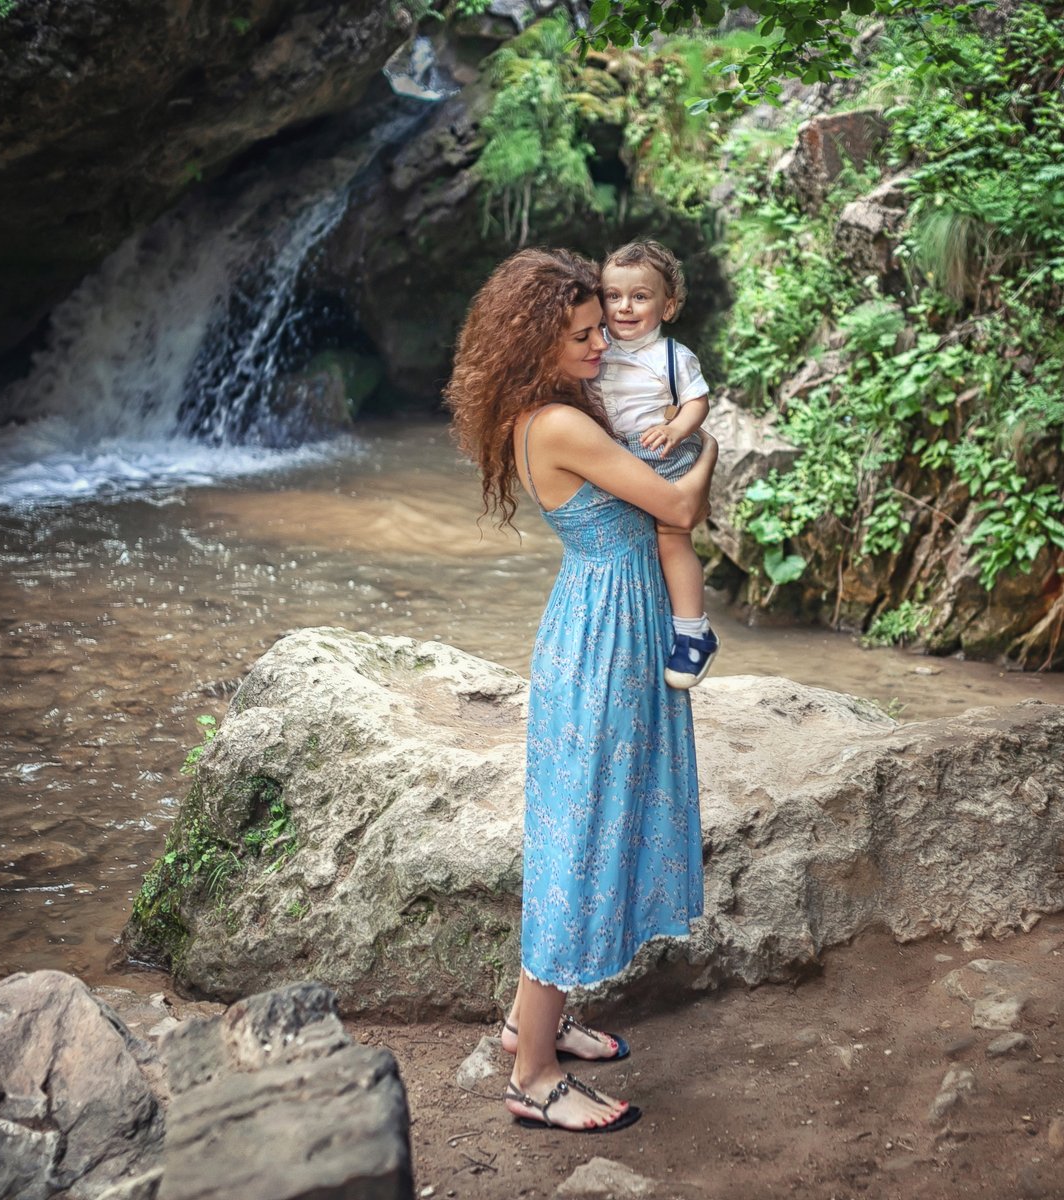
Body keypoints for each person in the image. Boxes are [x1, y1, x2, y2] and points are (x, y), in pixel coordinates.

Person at [444, 247, 718, 1134]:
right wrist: (708, 447)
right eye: (582, 336)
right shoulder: (560, 424)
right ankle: (531, 1075)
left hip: (608, 619)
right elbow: (679, 510)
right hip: (604, 637)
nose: (603, 344)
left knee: (586, 823)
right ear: (535, 346)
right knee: (583, 837)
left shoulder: (562, 408)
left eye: (604, 327)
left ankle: (535, 1022)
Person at [597, 240, 721, 688]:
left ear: (667, 306)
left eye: (640, 296)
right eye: (613, 296)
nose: (625, 307)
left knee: (671, 534)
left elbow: (697, 402)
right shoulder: (596, 346)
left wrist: (677, 430)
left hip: (660, 452)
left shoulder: (672, 356)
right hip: (612, 453)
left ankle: (693, 632)